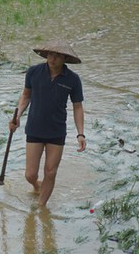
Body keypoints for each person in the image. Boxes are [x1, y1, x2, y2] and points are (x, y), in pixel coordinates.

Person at [9, 40, 86, 207]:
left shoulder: (73, 80)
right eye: (51, 54)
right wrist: (18, 115)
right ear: (46, 55)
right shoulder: (33, 72)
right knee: (30, 175)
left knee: (50, 172)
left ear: (65, 58)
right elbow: (26, 96)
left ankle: (41, 208)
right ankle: (37, 186)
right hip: (35, 127)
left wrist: (80, 133)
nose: (53, 58)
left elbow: (78, 107)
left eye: (58, 55)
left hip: (57, 130)